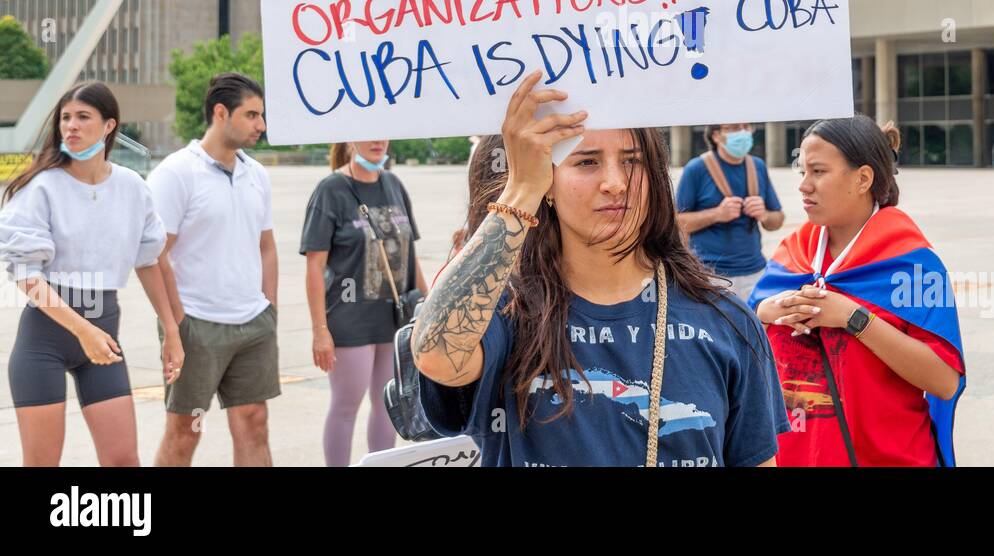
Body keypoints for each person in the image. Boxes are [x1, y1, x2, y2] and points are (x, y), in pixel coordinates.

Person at [411, 72, 788, 466]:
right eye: (587, 161)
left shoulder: (727, 320)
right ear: (549, 185)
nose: (615, 182)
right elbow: (436, 354)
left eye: (632, 161)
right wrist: (521, 189)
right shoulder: (508, 313)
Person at [750, 116, 965, 466]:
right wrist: (765, 313)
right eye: (801, 171)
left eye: (818, 172)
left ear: (863, 178)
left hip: (890, 457)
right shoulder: (793, 252)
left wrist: (854, 318)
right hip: (799, 456)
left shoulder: (914, 264)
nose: (804, 186)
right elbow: (745, 337)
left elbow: (944, 381)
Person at [0, 82, 180, 466]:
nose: (71, 126)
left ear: (109, 125)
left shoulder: (132, 187)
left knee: (123, 461)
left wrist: (173, 330)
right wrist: (83, 330)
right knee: (42, 463)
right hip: (45, 341)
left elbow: (149, 261)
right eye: (66, 117)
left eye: (83, 117)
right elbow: (27, 275)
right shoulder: (41, 186)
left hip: (104, 336)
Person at [148, 73, 280, 467]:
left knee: (255, 423)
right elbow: (155, 255)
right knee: (185, 431)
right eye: (252, 114)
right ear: (221, 113)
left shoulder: (256, 173)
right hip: (196, 323)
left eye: (262, 115)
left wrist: (270, 308)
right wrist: (174, 324)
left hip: (253, 322)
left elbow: (266, 246)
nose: (261, 125)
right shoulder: (176, 173)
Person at [302, 140, 429, 466]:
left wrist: (428, 307)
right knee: (346, 406)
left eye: (382, 133)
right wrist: (320, 331)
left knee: (388, 404)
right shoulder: (331, 190)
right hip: (349, 318)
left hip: (394, 320)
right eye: (367, 133)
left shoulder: (393, 184)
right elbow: (315, 266)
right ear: (348, 138)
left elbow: (411, 256)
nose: (377, 141)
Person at [675, 123, 785, 302]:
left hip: (755, 272)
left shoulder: (757, 166)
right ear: (716, 135)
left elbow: (778, 219)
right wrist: (717, 214)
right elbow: (676, 221)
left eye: (746, 127)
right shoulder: (696, 169)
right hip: (709, 275)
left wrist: (764, 214)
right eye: (734, 128)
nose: (742, 133)